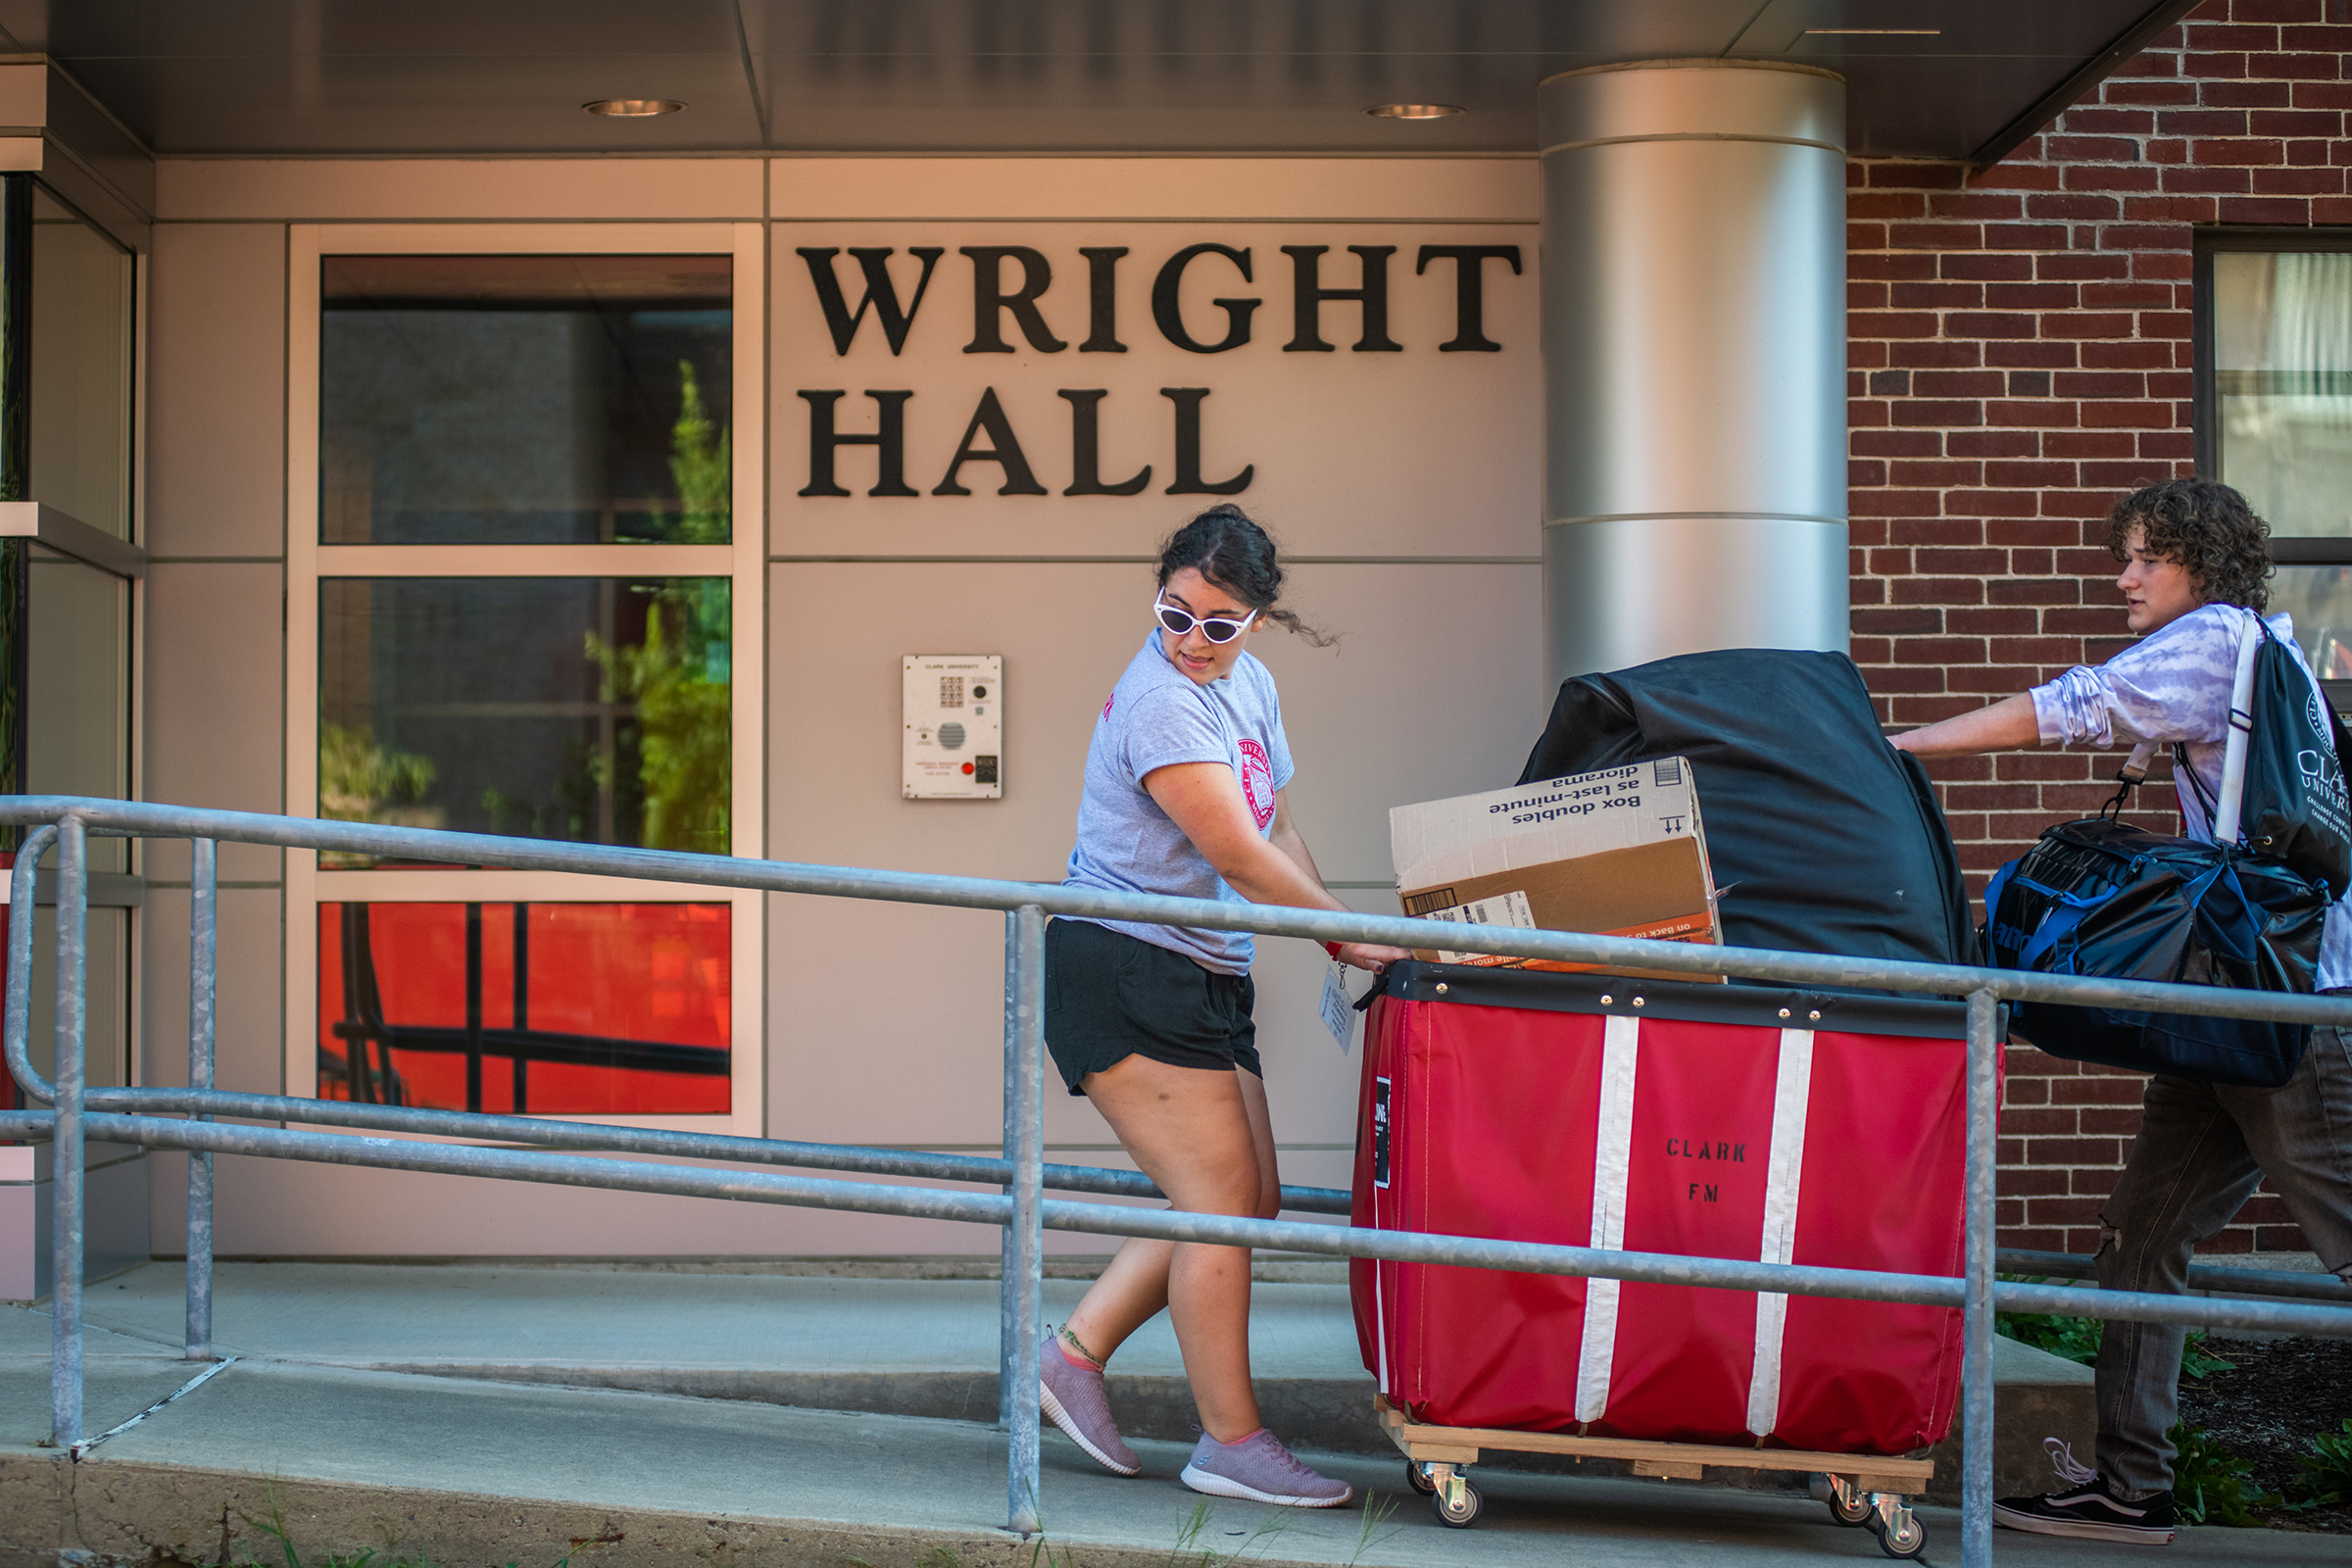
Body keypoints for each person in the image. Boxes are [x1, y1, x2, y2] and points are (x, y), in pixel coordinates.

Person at [1890, 477, 2352, 1545]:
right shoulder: (2266, 652)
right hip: (2226, 1007)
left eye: (2147, 557)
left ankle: (2131, 1478)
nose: (2124, 576)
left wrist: (1898, 748)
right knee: (2141, 1239)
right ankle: (2129, 1484)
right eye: (2128, 556)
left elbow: (2062, 709)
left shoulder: (2215, 643)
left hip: (2292, 1014)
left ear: (2204, 563)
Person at [1036, 503, 1408, 1507]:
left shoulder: (1249, 685)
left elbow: (1275, 820)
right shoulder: (1164, 702)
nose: (1190, 639)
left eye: (1217, 623)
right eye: (1174, 612)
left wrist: (1337, 921)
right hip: (1125, 964)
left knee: (1247, 1201)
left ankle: (1072, 1356)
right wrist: (1343, 931)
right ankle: (1230, 1442)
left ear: (1256, 621)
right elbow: (1235, 852)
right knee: (1217, 1211)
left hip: (1202, 968)